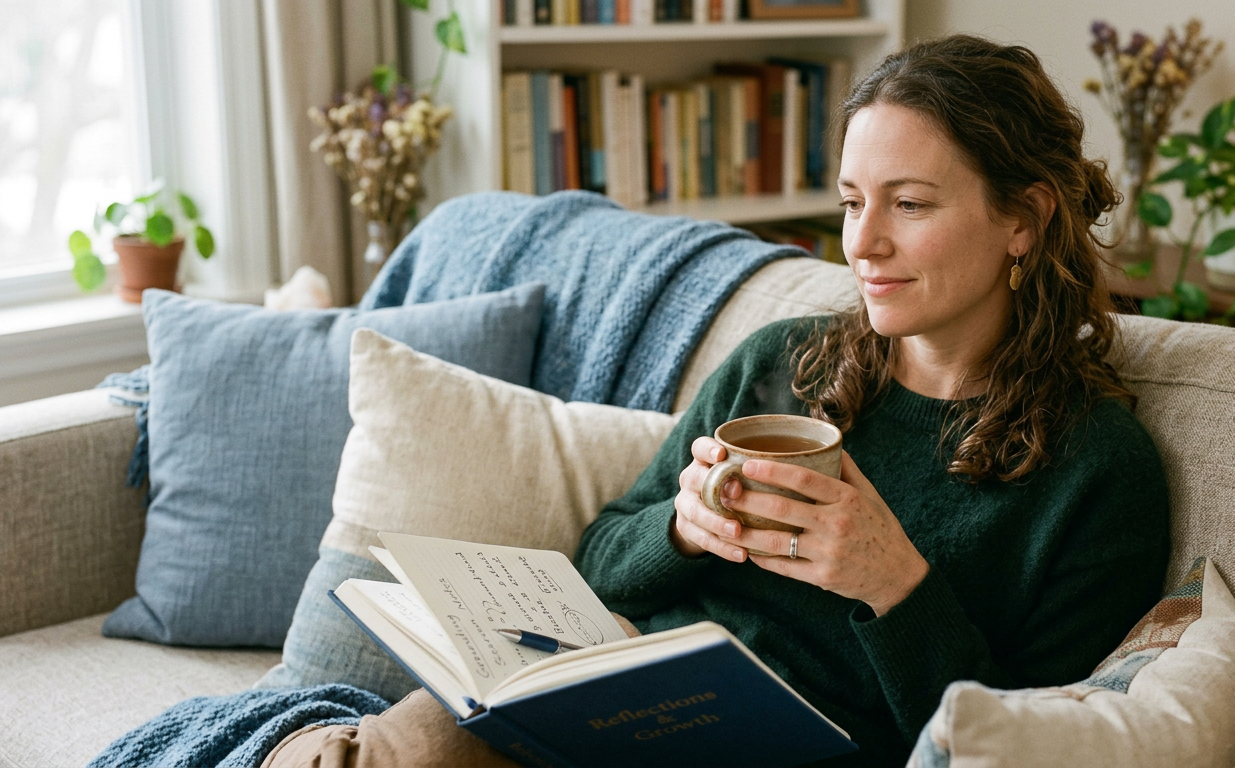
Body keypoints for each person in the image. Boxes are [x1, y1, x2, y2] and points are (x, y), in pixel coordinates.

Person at [264, 34, 1169, 768]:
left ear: (1024, 219)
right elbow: (600, 559)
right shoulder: (784, 365)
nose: (864, 243)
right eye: (853, 202)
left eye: (910, 204)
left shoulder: (1095, 468)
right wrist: (683, 528)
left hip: (798, 747)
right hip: (618, 696)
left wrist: (894, 585)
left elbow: (1024, 741)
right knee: (391, 749)